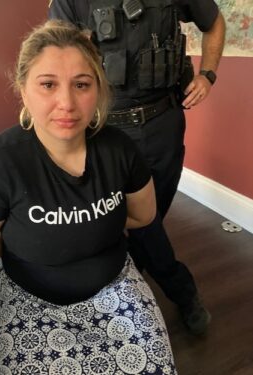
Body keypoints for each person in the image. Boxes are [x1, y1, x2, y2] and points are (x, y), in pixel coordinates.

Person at [0, 20, 180, 375]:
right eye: (48, 84)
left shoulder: (120, 150)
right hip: (28, 300)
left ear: (98, 90)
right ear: (23, 90)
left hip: (116, 289)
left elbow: (143, 215)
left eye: (81, 85)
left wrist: (85, 226)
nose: (66, 102)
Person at [48, 0, 226, 334]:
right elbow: (58, 60)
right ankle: (181, 290)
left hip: (163, 124)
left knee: (150, 217)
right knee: (129, 220)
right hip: (103, 130)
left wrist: (208, 75)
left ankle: (124, 285)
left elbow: (214, 23)